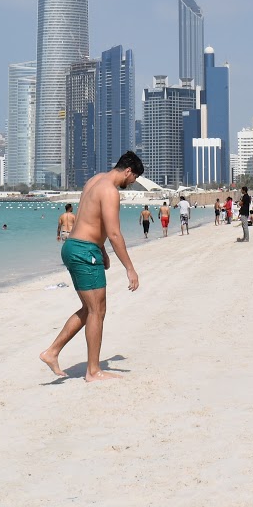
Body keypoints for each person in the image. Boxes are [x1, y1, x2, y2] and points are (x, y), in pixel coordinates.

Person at [40, 151, 144, 382]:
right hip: (84, 251)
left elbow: (89, 218)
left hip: (75, 247)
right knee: (98, 311)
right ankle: (93, 371)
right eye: (134, 177)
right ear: (128, 171)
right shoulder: (110, 191)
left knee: (90, 309)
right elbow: (114, 232)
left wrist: (102, 250)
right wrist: (129, 268)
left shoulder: (94, 180)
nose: (133, 182)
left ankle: (52, 352)